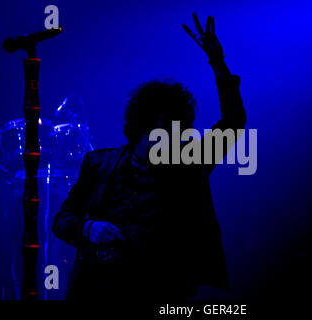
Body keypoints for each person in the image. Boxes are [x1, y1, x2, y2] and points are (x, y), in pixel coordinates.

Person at [52, 13, 246, 300]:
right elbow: (62, 220)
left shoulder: (189, 165)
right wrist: (89, 228)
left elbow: (233, 121)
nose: (181, 135)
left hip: (163, 290)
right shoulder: (98, 164)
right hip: (99, 289)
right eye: (172, 126)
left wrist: (217, 62)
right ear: (151, 124)